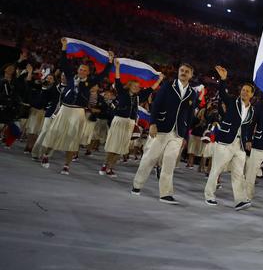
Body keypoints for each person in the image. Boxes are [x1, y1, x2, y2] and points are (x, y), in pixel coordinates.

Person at [41, 38, 113, 174]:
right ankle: (46, 156)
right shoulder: (70, 77)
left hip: (78, 112)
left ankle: (66, 165)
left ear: (88, 72)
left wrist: (110, 61)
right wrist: (64, 46)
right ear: (78, 70)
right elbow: (63, 63)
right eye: (80, 69)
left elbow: (104, 74)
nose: (82, 71)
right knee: (56, 132)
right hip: (65, 109)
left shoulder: (91, 82)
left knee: (73, 138)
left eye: (85, 70)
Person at [131, 63, 196, 204]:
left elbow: (190, 116)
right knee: (150, 157)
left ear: (191, 75)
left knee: (170, 162)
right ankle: (137, 185)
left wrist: (185, 136)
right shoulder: (168, 85)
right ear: (178, 72)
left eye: (187, 71)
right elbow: (156, 104)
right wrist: (153, 123)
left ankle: (165, 193)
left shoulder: (192, 93)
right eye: (182, 70)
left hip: (178, 132)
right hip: (161, 127)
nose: (183, 73)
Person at [203, 66, 254, 210]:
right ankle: (209, 195)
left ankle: (240, 200)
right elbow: (222, 93)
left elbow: (248, 127)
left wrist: (248, 140)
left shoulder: (252, 110)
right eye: (243, 90)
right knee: (216, 169)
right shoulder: (232, 102)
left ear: (251, 95)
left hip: (240, 146)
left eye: (247, 91)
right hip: (225, 141)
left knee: (238, 173)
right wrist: (223, 80)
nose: (244, 92)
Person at [100, 60, 163, 177]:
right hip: (119, 121)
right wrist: (118, 67)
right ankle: (105, 164)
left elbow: (151, 89)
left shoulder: (139, 97)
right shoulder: (122, 92)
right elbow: (117, 80)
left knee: (121, 147)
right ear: (129, 85)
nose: (136, 88)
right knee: (113, 145)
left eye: (138, 87)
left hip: (130, 123)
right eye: (134, 86)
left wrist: (159, 80)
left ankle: (110, 168)